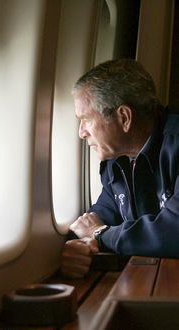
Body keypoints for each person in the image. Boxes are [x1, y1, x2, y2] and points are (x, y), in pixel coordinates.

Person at [61, 58, 179, 279]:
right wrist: (79, 246)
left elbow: (173, 233)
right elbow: (98, 218)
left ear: (124, 118)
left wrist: (100, 234)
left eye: (86, 119)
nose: (81, 132)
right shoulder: (117, 163)